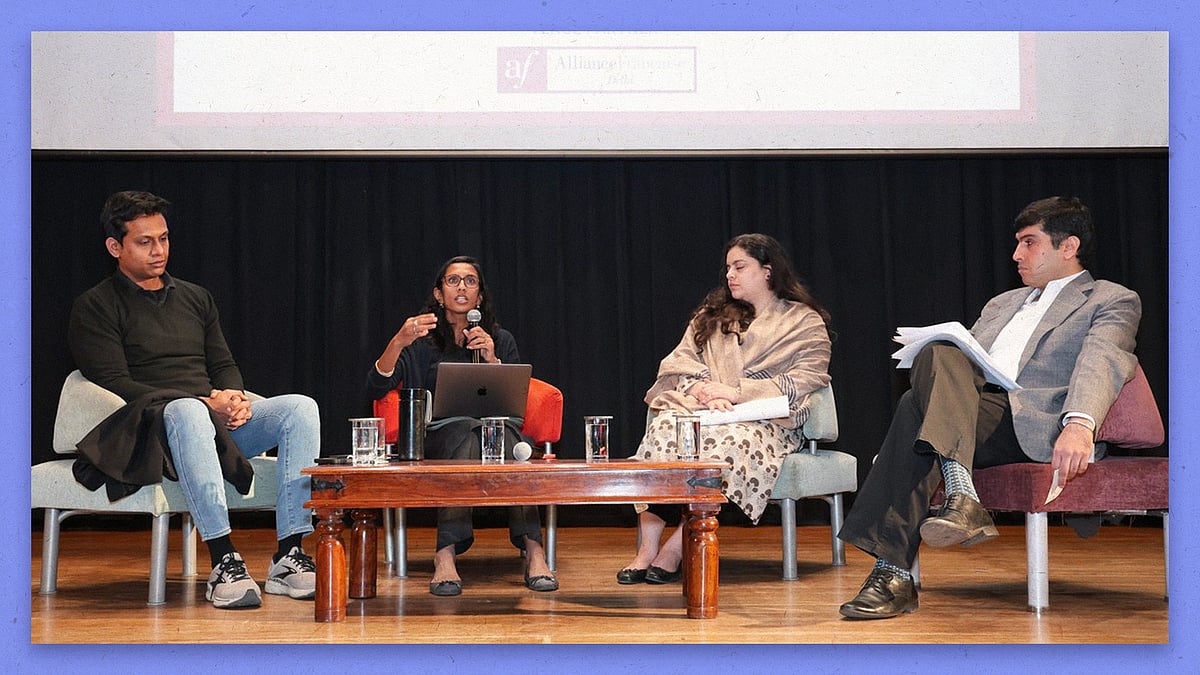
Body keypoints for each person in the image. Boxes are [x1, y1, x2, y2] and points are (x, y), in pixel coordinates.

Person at [837, 196, 1141, 620]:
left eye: (1030, 243)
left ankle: (894, 572)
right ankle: (958, 500)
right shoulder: (1002, 303)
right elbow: (968, 363)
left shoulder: (1110, 299)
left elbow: (1102, 360)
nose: (1017, 254)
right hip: (974, 414)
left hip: (1032, 422)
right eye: (1018, 243)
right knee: (934, 365)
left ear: (1068, 247)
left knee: (914, 408)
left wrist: (1079, 424)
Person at [68, 190, 321, 610]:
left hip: (211, 420)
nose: (158, 250)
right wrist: (204, 403)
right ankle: (223, 560)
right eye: (144, 241)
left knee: (300, 407)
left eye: (163, 238)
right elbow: (115, 383)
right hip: (151, 432)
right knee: (185, 410)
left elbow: (223, 363)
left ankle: (288, 555)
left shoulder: (195, 297)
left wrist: (234, 397)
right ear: (115, 247)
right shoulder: (95, 305)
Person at [617, 233, 832, 585]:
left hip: (765, 421)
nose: (730, 274)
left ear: (767, 270)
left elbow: (809, 377)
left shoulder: (803, 322)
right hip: (704, 410)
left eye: (740, 267)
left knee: (724, 444)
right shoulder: (711, 316)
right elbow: (678, 363)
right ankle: (646, 550)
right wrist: (705, 390)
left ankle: (675, 548)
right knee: (664, 429)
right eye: (728, 267)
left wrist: (735, 394)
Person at [366, 255, 558, 597]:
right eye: (453, 281)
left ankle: (534, 551)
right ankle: (446, 555)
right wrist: (398, 340)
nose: (462, 287)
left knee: (509, 441)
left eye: (471, 281)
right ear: (439, 294)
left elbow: (517, 398)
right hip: (441, 434)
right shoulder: (421, 340)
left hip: (497, 430)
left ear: (479, 298)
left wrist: (493, 361)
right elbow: (378, 387)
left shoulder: (500, 338)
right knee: (470, 434)